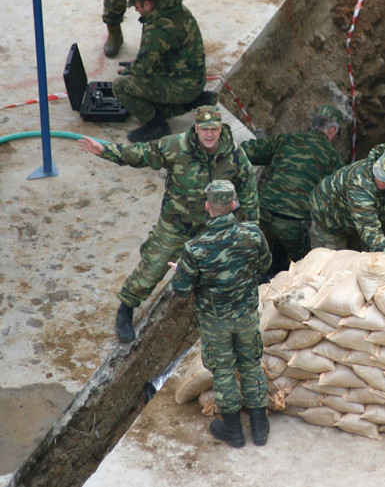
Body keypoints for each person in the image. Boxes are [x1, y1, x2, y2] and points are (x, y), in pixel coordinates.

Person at [77, 105, 259, 343]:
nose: (209, 134)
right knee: (152, 267)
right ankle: (126, 308)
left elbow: (248, 190)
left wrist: (251, 227)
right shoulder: (176, 146)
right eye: (204, 129)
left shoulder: (234, 154)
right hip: (175, 224)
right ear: (195, 128)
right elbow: (142, 153)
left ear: (220, 128)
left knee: (223, 272)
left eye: (213, 128)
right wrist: (107, 151)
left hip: (211, 228)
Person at [169, 180, 271, 448]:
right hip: (247, 315)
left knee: (224, 371)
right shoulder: (253, 233)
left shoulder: (195, 248)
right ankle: (260, 429)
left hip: (215, 322)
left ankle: (234, 432)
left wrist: (181, 270)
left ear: (207, 206)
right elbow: (265, 264)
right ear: (234, 204)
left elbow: (181, 290)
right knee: (250, 364)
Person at [240, 105, 345, 273]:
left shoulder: (286, 139)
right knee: (306, 267)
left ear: (313, 124)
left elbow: (246, 151)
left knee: (257, 254)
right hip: (295, 224)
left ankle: (267, 271)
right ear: (333, 129)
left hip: (263, 213)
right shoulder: (334, 158)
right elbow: (337, 198)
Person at [114, 0, 215, 143]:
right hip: (191, 76)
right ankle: (195, 100)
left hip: (184, 84)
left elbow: (142, 69)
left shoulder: (158, 28)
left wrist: (130, 70)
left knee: (122, 86)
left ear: (147, 4)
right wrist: (138, 63)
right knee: (141, 84)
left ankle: (156, 125)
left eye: (137, 6)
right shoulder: (173, 9)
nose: (136, 10)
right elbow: (160, 52)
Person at [308, 142, 385, 270]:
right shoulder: (359, 181)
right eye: (378, 174)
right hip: (329, 217)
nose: (380, 181)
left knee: (369, 267)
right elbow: (368, 227)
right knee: (330, 268)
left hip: (363, 221)